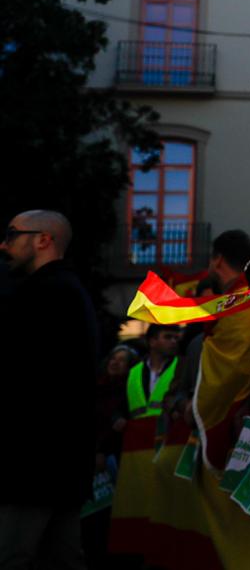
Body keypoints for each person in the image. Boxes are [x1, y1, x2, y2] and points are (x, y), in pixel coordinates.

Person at [0, 210, 97, 570]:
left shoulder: (45, 294)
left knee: (14, 557)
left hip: (31, 464)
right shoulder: (69, 291)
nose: (3, 244)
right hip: (60, 464)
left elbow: (23, 380)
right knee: (62, 558)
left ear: (44, 240)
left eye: (11, 235)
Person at [192, 229, 250, 469]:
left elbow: (237, 368)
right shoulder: (247, 298)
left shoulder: (239, 304)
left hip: (239, 416)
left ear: (218, 259)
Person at [124, 325, 180, 420]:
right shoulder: (133, 371)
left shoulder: (181, 367)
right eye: (168, 337)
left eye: (176, 338)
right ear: (152, 342)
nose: (174, 341)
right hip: (136, 431)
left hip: (167, 431)